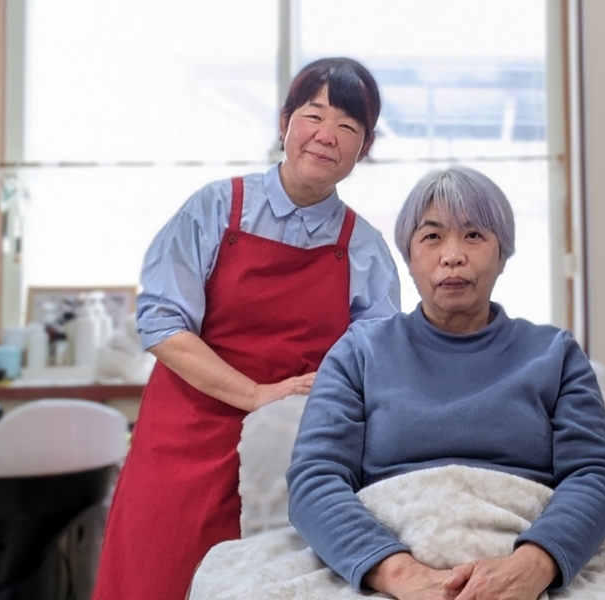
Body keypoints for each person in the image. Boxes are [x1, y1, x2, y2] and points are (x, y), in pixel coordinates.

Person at [93, 57, 401, 600]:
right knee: (155, 579)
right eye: (313, 115)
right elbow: (163, 324)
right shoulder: (215, 209)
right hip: (184, 437)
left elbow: (375, 365)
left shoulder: (365, 249)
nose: (326, 136)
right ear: (284, 122)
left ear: (365, 148)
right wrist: (257, 393)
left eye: (348, 127)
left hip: (291, 453)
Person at [286, 166, 605, 599]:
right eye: (431, 237)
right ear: (407, 258)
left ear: (503, 254)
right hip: (384, 567)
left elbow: (594, 474)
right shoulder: (359, 352)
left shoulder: (554, 354)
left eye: (474, 235)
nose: (452, 255)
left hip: (527, 556)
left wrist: (532, 566)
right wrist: (403, 576)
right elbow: (315, 478)